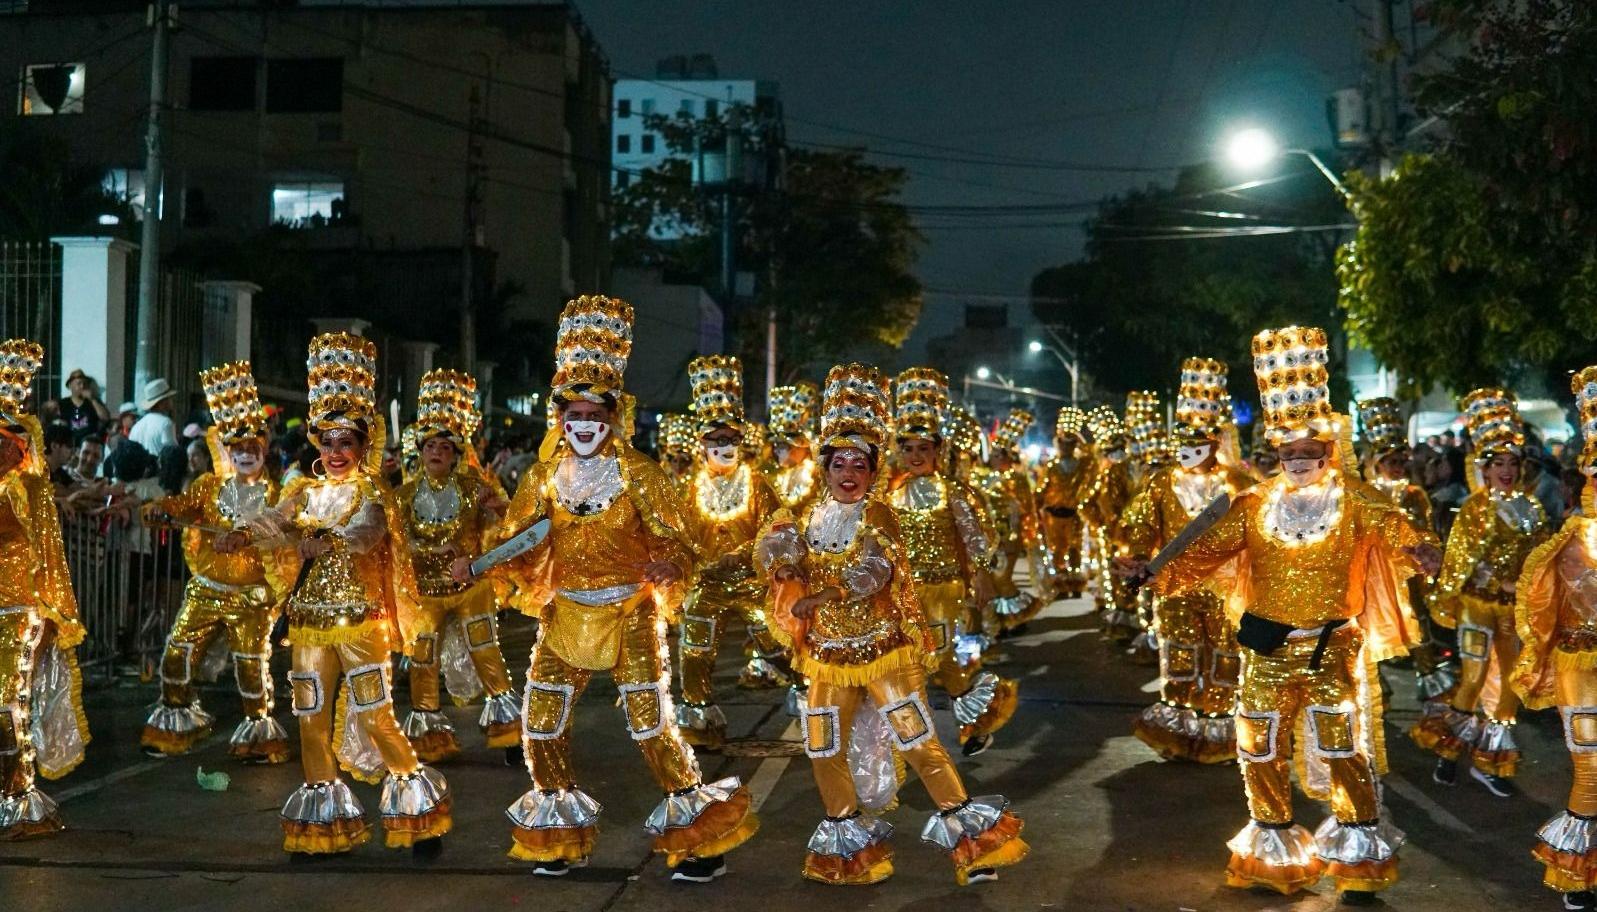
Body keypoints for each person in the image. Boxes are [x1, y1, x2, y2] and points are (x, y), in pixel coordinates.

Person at [1141, 326, 1441, 904]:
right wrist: (1158, 571)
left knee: (1340, 746)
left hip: (1331, 648)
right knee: (1258, 743)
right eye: (1288, 452)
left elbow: (1398, 530)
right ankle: (1274, 845)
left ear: (1328, 451)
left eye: (1309, 451)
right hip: (1265, 650)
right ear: (1274, 452)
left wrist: (1420, 549)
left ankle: (1357, 851)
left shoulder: (1355, 499)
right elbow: (1206, 549)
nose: (1298, 460)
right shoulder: (1253, 504)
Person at [465, 295, 757, 882]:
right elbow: (520, 534)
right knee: (540, 724)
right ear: (559, 418)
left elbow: (679, 537)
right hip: (566, 614)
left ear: (614, 417)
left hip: (629, 614)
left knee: (651, 725)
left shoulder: (639, 474)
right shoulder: (545, 475)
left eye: (595, 416)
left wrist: (669, 566)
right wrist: (477, 564)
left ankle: (700, 843)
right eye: (573, 415)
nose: (583, 426)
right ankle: (558, 838)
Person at [757, 362, 1027, 886]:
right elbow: (776, 539)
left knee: (918, 742)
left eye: (860, 462)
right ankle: (847, 844)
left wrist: (826, 592)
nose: (849, 472)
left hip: (883, 652)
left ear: (874, 467)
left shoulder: (879, 514)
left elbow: (874, 568)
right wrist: (783, 563)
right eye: (839, 463)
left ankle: (973, 847)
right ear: (825, 468)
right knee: (822, 744)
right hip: (828, 657)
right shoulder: (810, 514)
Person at [230, 333, 451, 855]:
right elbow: (274, 520)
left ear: (361, 444)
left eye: (343, 442)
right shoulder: (302, 492)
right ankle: (325, 819)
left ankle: (416, 812)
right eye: (325, 442)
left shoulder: (372, 493)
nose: (333, 452)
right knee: (309, 717)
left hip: (359, 622)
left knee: (376, 718)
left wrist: (327, 540)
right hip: (308, 623)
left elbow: (366, 535)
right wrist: (243, 533)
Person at [138, 362, 287, 764]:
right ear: (224, 448)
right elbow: (179, 504)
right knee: (175, 655)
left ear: (265, 447)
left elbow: (278, 534)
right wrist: (158, 507)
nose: (245, 453)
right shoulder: (208, 487)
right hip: (206, 589)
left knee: (251, 669)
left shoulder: (276, 495)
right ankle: (176, 724)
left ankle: (259, 733)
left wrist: (245, 536)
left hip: (252, 598)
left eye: (253, 446)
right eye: (237, 447)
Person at [1411, 389, 1548, 797]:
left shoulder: (1532, 508)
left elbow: (1540, 558)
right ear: (1483, 467)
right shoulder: (1475, 508)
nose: (1505, 470)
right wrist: (1491, 581)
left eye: (1512, 462)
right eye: (1497, 462)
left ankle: (1490, 763)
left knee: (1511, 686)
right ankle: (1449, 753)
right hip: (1476, 606)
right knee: (1471, 679)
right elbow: (1461, 560)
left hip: (1511, 611)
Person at [1119, 357, 1253, 764]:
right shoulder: (1161, 481)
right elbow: (1141, 525)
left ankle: (1218, 733)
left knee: (1224, 655)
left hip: (1224, 590)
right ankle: (1179, 731)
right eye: (1183, 436)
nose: (1188, 446)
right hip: (1174, 585)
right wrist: (1138, 558)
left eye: (1199, 437)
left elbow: (1257, 536)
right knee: (1179, 654)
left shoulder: (1240, 485)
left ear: (1216, 440)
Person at [886, 368, 1015, 757]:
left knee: (937, 661)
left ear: (937, 451)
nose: (915, 456)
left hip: (944, 589)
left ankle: (979, 721)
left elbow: (978, 537)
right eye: (908, 448)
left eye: (923, 448)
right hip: (903, 592)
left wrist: (982, 577)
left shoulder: (952, 492)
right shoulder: (892, 493)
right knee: (904, 665)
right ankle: (909, 740)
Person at [394, 369, 520, 765]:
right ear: (420, 450)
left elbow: (509, 527)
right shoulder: (403, 495)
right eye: (430, 445)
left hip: (470, 586)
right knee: (423, 656)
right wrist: (426, 550)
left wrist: (499, 510)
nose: (436, 453)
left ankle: (509, 732)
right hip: (425, 592)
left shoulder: (474, 487)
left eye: (444, 448)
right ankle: (430, 736)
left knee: (485, 648)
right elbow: (396, 543)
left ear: (456, 453)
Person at [1513, 365, 1597, 911]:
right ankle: (1577, 877)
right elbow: (1540, 612)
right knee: (1592, 765)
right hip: (1579, 663)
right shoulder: (1563, 546)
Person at [0, 338, 90, 838]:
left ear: (21, 444)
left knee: (5, 702)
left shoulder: (27, 489)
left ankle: (17, 796)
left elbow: (37, 545)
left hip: (19, 609)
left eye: (3, 440)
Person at [675, 356, 789, 747]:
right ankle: (700, 720)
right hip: (706, 584)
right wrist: (694, 561)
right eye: (716, 439)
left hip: (753, 583)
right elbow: (677, 532)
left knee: (777, 645)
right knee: (694, 650)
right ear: (702, 442)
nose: (724, 446)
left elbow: (778, 527)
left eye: (730, 439)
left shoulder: (757, 483)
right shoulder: (689, 488)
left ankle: (815, 696)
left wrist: (743, 554)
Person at [1357, 398, 1454, 706]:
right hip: (1373, 576)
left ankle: (1432, 689)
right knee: (1367, 632)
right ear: (1375, 462)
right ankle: (1376, 689)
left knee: (1419, 628)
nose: (1397, 467)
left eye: (1401, 461)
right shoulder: (1364, 494)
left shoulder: (1415, 494)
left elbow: (1428, 532)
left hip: (1409, 576)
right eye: (1390, 461)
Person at [978, 408, 1042, 633]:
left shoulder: (1018, 479)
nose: (995, 459)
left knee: (1003, 579)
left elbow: (1025, 509)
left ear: (1008, 457)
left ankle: (1018, 615)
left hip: (1010, 536)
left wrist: (1019, 534)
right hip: (992, 538)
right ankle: (1004, 621)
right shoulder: (986, 479)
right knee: (995, 580)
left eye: (999, 455)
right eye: (993, 455)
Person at [1038, 407, 1092, 600]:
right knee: (1057, 550)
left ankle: (1076, 584)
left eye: (1070, 443)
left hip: (1075, 514)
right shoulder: (1051, 466)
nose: (1065, 447)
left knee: (1075, 548)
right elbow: (1041, 489)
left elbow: (1092, 454)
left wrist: (1078, 435)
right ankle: (1061, 586)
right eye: (1062, 442)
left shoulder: (1082, 464)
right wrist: (1035, 507)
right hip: (1054, 514)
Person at [765, 382, 823, 515]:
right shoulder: (775, 476)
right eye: (777, 444)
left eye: (786, 444)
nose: (779, 450)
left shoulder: (820, 477)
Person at [46, 369, 110, 437]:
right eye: (79, 384)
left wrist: (92, 399)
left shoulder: (92, 402)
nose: (82, 386)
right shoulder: (63, 403)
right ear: (70, 385)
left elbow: (105, 418)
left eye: (84, 384)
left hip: (88, 442)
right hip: (68, 443)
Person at [128, 378, 179, 458]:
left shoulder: (136, 427)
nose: (172, 400)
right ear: (162, 402)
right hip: (159, 469)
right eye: (169, 398)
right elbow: (171, 453)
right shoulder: (166, 423)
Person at [655, 412, 696, 496]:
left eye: (683, 461)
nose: (678, 466)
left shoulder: (696, 481)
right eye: (675, 461)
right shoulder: (662, 479)